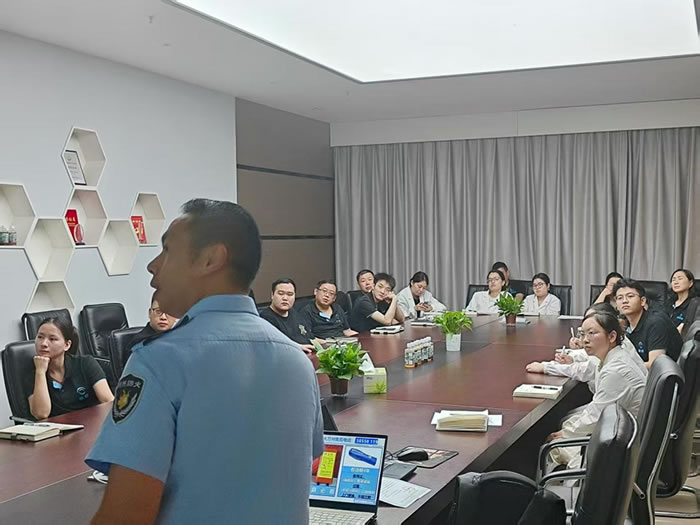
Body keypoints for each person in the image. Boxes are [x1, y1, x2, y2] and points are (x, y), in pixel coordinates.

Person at [86, 199, 322, 524]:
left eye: (167, 250)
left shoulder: (159, 360)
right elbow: (307, 462)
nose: (152, 265)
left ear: (211, 259)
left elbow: (126, 515)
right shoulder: (298, 361)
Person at [545, 310, 647, 469]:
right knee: (566, 423)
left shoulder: (616, 370)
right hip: (620, 433)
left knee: (552, 446)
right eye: (582, 334)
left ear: (612, 336)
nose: (585, 339)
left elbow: (596, 416)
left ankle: (567, 484)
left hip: (622, 446)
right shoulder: (612, 357)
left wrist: (566, 433)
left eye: (592, 333)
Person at [27, 317, 113, 420]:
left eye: (52, 339)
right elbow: (41, 414)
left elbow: (108, 401)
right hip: (58, 428)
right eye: (40, 337)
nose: (43, 344)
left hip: (92, 423)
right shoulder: (34, 373)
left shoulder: (85, 363)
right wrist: (40, 372)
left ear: (67, 345)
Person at [614, 278, 683, 367]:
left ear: (643, 301)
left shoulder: (656, 322)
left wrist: (620, 368)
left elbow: (654, 365)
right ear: (616, 305)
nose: (624, 301)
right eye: (620, 298)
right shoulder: (623, 323)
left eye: (630, 296)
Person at [259, 278, 317, 356]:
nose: (285, 298)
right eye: (281, 294)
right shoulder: (265, 318)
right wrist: (297, 347)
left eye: (290, 294)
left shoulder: (294, 313)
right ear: (272, 295)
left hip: (307, 355)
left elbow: (309, 336)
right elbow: (275, 345)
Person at [667, 269, 695, 333]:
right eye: (673, 280)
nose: (676, 282)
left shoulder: (694, 304)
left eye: (680, 279)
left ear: (690, 283)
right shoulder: (668, 302)